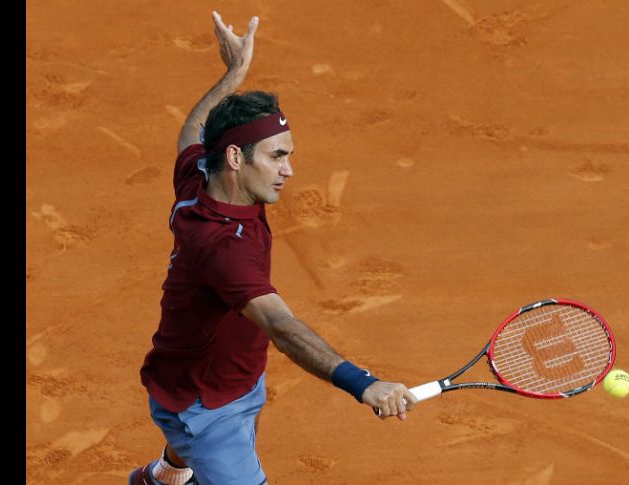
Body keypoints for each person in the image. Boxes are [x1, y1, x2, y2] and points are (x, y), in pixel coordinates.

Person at [129, 10, 418, 485]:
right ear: (238, 158)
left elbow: (192, 131)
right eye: (278, 156)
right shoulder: (224, 249)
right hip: (208, 407)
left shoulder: (200, 178)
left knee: (218, 420)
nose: (289, 170)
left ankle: (163, 476)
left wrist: (233, 75)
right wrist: (363, 383)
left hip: (221, 374)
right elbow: (282, 327)